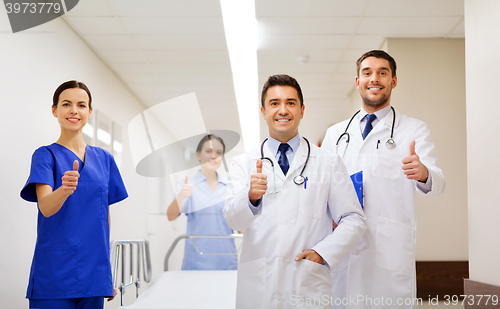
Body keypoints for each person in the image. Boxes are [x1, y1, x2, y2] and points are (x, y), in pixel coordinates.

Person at [224, 74, 366, 309]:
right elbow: (232, 219)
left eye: (290, 103)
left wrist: (322, 253)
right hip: (260, 286)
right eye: (274, 103)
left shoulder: (328, 162)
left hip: (306, 284)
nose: (283, 110)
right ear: (263, 111)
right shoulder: (244, 163)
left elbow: (354, 219)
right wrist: (250, 197)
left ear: (302, 110)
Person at [322, 50, 446, 308]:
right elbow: (323, 189)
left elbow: (438, 182)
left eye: (382, 72)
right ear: (358, 81)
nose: (374, 78)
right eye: (367, 73)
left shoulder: (413, 129)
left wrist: (423, 173)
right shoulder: (335, 134)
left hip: (388, 251)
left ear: (394, 80)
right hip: (344, 247)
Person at [20, 81, 128, 309]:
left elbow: (104, 218)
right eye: (66, 104)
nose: (74, 111)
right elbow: (46, 208)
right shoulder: (45, 155)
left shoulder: (104, 159)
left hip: (94, 269)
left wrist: (106, 271)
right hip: (55, 270)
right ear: (54, 110)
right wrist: (64, 190)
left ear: (89, 112)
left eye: (81, 105)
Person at [167, 134, 237, 270]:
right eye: (208, 151)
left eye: (218, 153)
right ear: (198, 154)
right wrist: (181, 196)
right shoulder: (187, 185)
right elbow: (171, 216)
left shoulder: (230, 187)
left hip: (226, 260)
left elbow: (240, 227)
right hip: (197, 261)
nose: (213, 156)